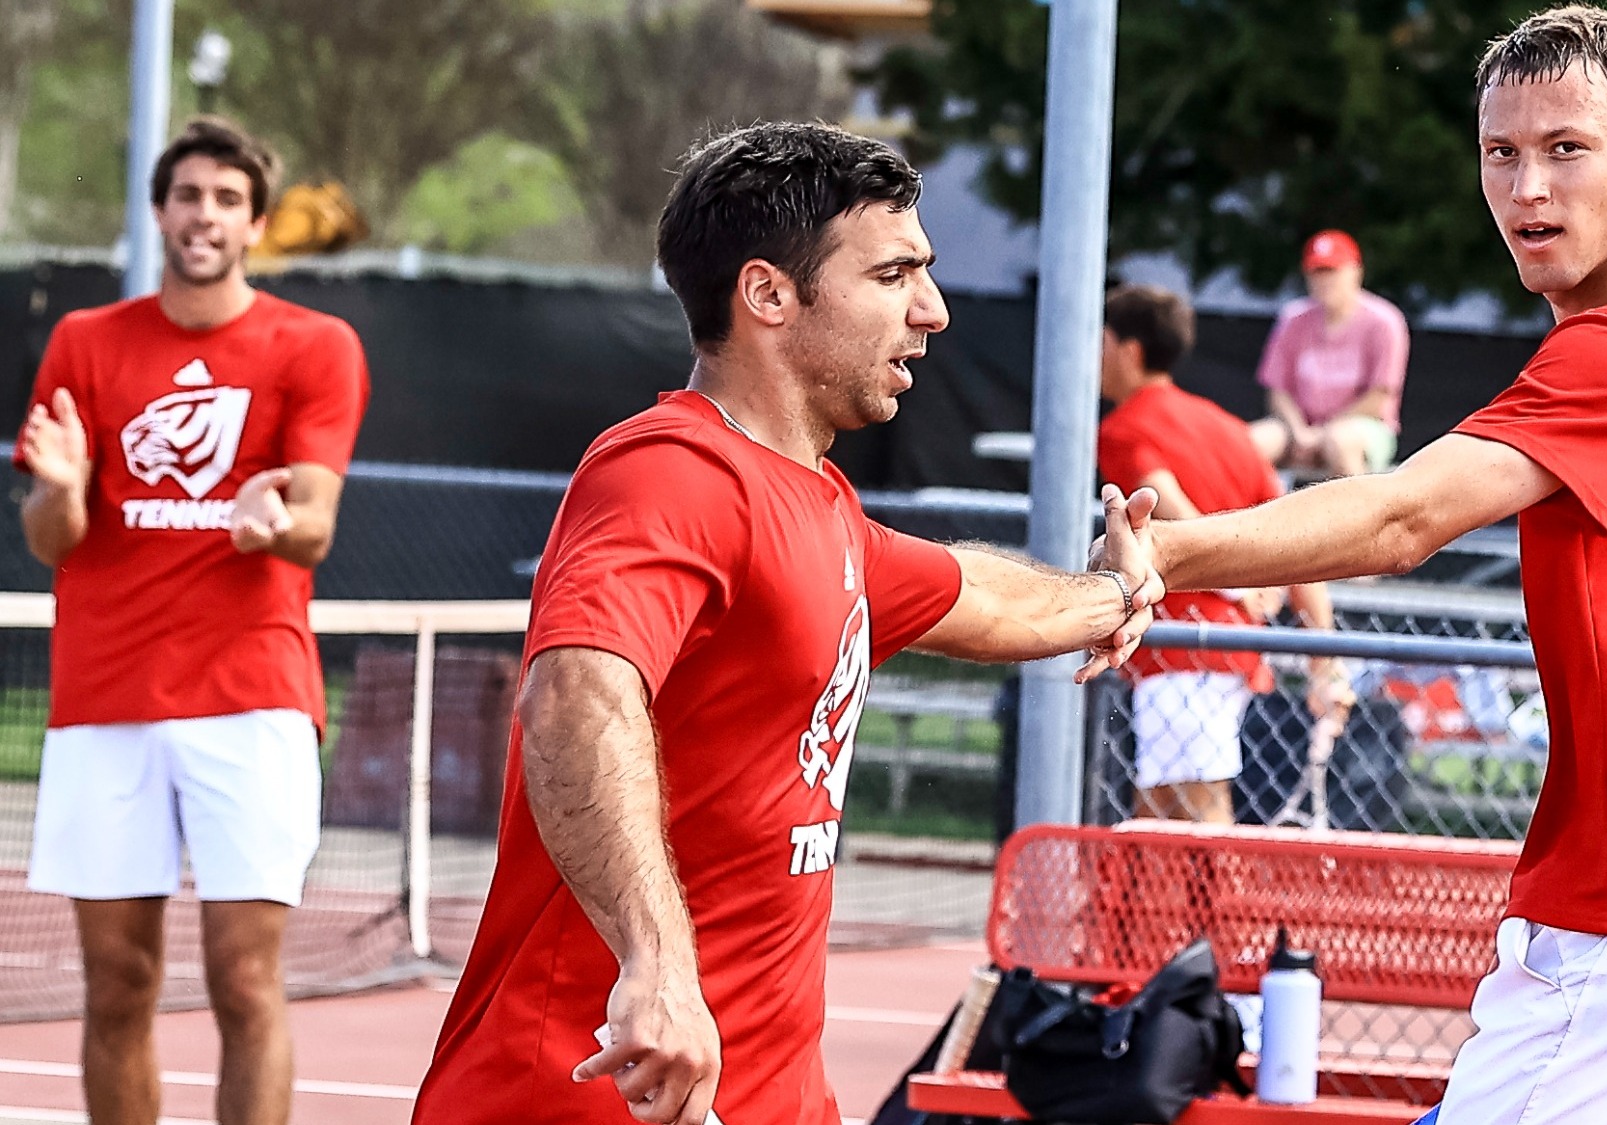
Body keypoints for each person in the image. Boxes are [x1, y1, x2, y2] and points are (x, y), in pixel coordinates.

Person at [1111, 8, 1607, 1122]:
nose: (1527, 191)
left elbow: (1402, 514)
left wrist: (1165, 552)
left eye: (1566, 150)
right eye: (1500, 154)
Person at [412, 122, 1161, 1125]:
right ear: (768, 294)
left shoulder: (823, 510)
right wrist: (659, 964)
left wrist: (1118, 591)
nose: (930, 311)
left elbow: (988, 597)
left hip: (767, 1094)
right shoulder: (669, 472)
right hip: (591, 1088)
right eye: (894, 275)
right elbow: (576, 693)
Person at [14, 117, 369, 1125]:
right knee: (117, 982)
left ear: (255, 223)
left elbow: (313, 526)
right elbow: (51, 536)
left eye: (225, 199)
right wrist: (65, 490)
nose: (202, 214)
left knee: (244, 981)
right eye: (187, 196)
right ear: (159, 211)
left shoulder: (315, 345)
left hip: (249, 699)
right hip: (104, 698)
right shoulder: (84, 342)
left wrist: (271, 521)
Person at [1095, 284, 1350, 824]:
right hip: (1216, 647)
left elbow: (1162, 502)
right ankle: (1137, 909)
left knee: (1197, 807)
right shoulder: (1228, 429)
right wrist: (1323, 662)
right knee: (1163, 809)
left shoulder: (1124, 426)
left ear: (1130, 351)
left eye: (1102, 342)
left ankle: (1218, 913)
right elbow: (1300, 543)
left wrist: (1237, 585)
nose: (1093, 356)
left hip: (1185, 644)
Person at [1247, 229, 1410, 478]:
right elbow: (1277, 391)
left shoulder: (1384, 322)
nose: (1325, 281)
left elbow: (1378, 397)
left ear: (1356, 271)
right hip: (1298, 426)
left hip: (1363, 425)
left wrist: (1322, 432)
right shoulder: (1293, 319)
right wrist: (1300, 431)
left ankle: (1359, 514)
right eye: (1317, 272)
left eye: (1332, 271)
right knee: (1247, 443)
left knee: (1340, 442)